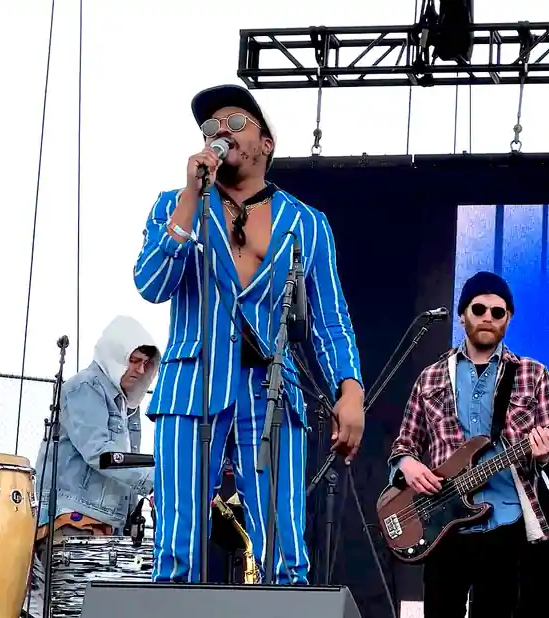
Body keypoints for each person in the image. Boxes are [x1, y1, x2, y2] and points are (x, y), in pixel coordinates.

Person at [132, 84, 365, 585]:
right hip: (191, 384)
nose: (221, 133)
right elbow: (151, 285)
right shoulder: (174, 205)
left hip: (272, 391)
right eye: (210, 128)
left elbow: (330, 319)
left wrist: (350, 389)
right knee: (176, 548)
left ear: (266, 143)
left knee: (284, 552)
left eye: (235, 123)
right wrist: (190, 201)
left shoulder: (306, 223)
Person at [387, 271, 549, 618]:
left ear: (508, 319)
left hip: (504, 523)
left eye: (498, 312)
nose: (488, 317)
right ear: (462, 315)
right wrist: (407, 466)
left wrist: (544, 455)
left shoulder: (532, 374)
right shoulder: (430, 377)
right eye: (479, 309)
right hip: (441, 525)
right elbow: (404, 444)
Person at [24, 315, 160, 615]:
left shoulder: (127, 405)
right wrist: (159, 480)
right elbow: (101, 453)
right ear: (114, 355)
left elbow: (124, 462)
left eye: (146, 363)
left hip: (103, 528)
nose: (140, 370)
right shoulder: (85, 387)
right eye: (134, 360)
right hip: (73, 523)